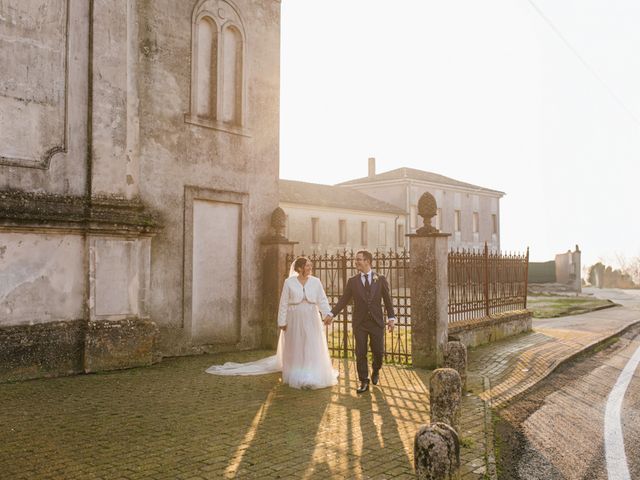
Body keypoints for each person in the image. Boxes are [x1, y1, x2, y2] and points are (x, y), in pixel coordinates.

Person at [206, 256, 338, 390]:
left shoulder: (316, 282)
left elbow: (322, 299)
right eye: (307, 265)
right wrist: (282, 321)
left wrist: (327, 314)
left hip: (311, 317)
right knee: (296, 344)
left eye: (310, 265)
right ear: (299, 268)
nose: (310, 267)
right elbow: (283, 303)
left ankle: (313, 374)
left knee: (311, 343)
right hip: (294, 318)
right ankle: (297, 374)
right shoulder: (289, 282)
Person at [324, 250, 395, 394]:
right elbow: (344, 300)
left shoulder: (380, 279)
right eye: (356, 259)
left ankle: (376, 369)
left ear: (368, 261)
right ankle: (364, 380)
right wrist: (332, 313)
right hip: (360, 323)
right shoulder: (353, 281)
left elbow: (387, 300)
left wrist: (391, 319)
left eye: (359, 259)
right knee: (360, 352)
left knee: (378, 352)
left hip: (376, 322)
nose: (356, 262)